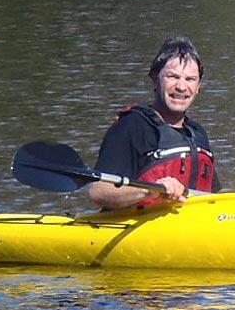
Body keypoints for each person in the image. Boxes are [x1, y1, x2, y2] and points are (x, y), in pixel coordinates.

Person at [87, 36, 221, 210]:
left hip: (189, 228)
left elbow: (215, 197)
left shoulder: (198, 134)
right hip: (135, 228)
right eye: (173, 77)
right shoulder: (132, 127)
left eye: (190, 79)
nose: (181, 87)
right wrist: (150, 191)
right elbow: (97, 192)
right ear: (155, 79)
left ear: (198, 88)